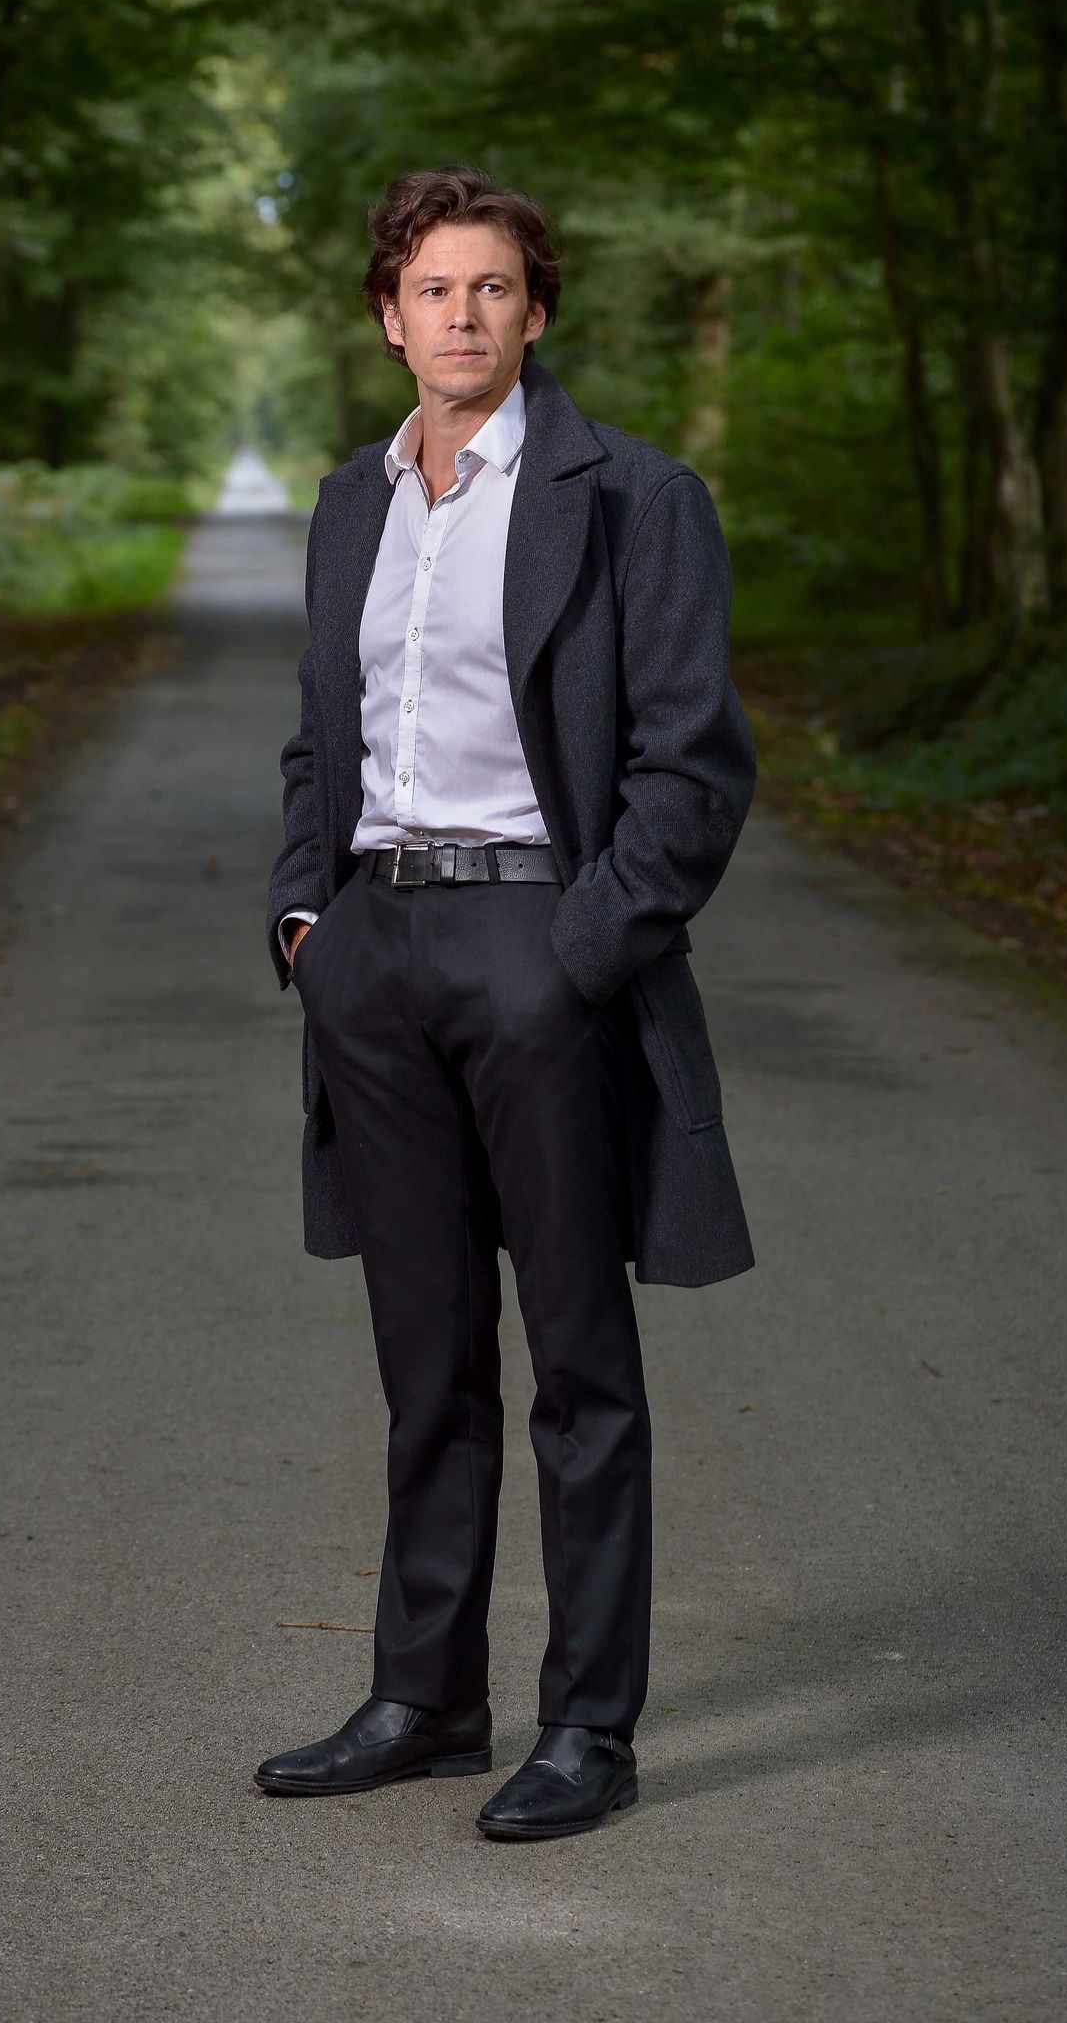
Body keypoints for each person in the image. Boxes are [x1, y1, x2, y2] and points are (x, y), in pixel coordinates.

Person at [257, 165, 757, 1840]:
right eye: (431, 289)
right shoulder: (354, 501)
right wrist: (307, 924)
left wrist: (582, 950)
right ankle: (426, 1698)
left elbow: (693, 767)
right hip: (376, 953)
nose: (460, 315)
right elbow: (321, 737)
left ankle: (589, 1729)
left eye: (491, 288)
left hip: (545, 940)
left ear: (534, 313)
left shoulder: (633, 499)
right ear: (387, 319)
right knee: (427, 1360)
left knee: (579, 1366)